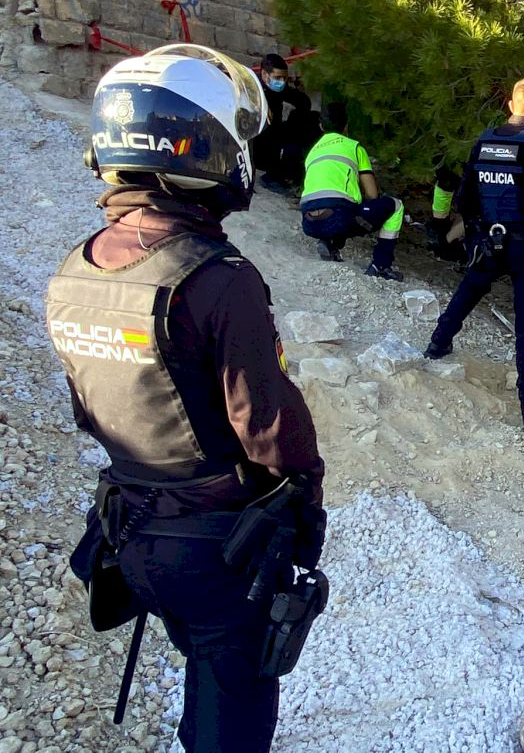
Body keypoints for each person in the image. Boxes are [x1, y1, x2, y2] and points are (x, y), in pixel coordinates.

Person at [47, 44, 326, 752]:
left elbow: (92, 409)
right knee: (231, 713)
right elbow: (264, 425)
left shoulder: (75, 270)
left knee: (204, 684)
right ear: (201, 147)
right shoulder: (218, 277)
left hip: (128, 532)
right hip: (215, 548)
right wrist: (306, 501)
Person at [424, 77, 524, 436]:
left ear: (510, 105)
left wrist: (478, 233)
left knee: (470, 289)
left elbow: (465, 198)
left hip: (490, 240)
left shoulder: (485, 141)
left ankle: (437, 344)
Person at [299, 102, 405, 280]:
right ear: (346, 125)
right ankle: (381, 265)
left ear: (321, 126)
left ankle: (329, 242)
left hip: (309, 222)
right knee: (395, 206)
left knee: (340, 205)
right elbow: (372, 194)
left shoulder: (312, 152)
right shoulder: (354, 147)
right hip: (339, 217)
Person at [252, 53, 316, 191]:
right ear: (264, 74)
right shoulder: (252, 88)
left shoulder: (280, 89)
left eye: (284, 78)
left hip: (273, 132)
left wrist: (295, 119)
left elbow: (303, 102)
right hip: (255, 136)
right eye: (277, 78)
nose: (281, 81)